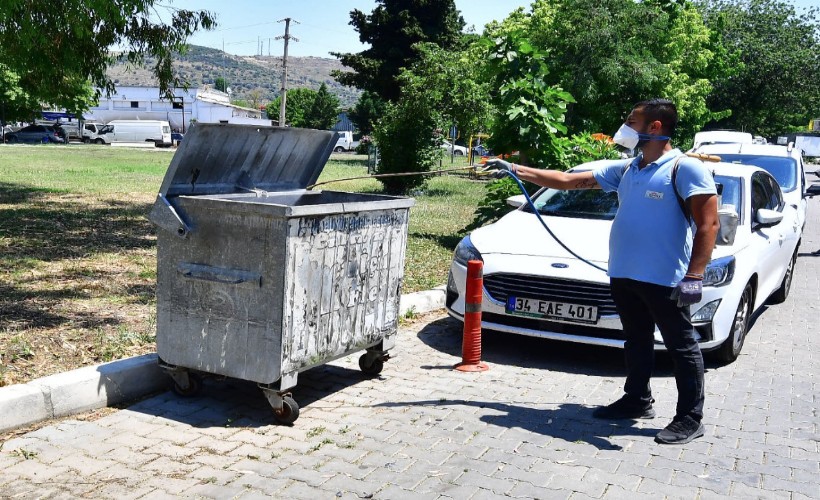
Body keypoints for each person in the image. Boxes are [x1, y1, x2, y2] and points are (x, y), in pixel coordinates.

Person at [484, 99, 719, 445]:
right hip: (624, 273)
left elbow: (709, 223)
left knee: (681, 346)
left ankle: (689, 417)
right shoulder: (627, 169)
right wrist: (514, 169)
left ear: (654, 127)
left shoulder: (684, 169)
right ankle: (637, 399)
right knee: (636, 340)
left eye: (630, 120)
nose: (624, 127)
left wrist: (695, 275)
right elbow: (566, 180)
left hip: (665, 278)